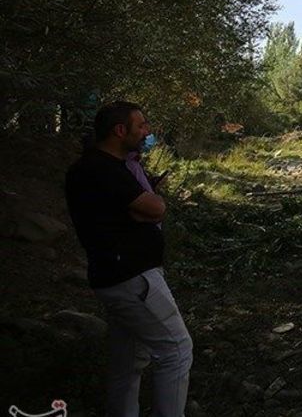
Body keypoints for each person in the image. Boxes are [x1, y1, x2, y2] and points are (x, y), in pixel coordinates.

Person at [65, 101, 192, 417]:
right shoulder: (101, 169)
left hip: (117, 277)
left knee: (129, 361)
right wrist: (148, 205)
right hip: (132, 279)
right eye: (141, 126)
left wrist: (143, 207)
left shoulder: (102, 167)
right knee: (176, 350)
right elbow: (155, 208)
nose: (146, 132)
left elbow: (143, 208)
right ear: (119, 131)